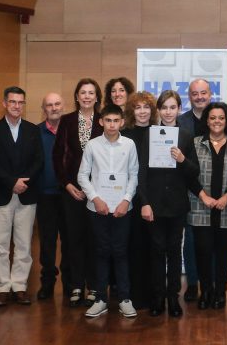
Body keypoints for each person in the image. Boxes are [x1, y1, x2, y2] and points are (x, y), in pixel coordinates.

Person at [135, 90, 199, 317]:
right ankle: (157, 297)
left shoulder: (186, 136)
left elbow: (194, 172)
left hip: (177, 205)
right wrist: (144, 202)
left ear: (179, 109)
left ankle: (173, 298)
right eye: (164, 108)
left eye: (173, 107)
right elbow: (140, 172)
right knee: (156, 251)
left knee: (174, 251)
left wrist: (182, 160)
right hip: (154, 204)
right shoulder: (148, 136)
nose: (168, 112)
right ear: (158, 111)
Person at [0, 86, 43, 307]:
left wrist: (23, 182)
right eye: (12, 102)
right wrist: (11, 183)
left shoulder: (32, 130)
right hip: (1, 194)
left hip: (27, 194)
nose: (17, 106)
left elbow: (38, 161)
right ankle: (2, 287)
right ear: (4, 103)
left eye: (20, 102)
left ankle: (19, 286)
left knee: (24, 244)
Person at [77, 104, 139, 319]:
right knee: (101, 252)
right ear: (101, 121)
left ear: (122, 122)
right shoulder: (92, 145)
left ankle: (124, 298)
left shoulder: (130, 145)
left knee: (121, 252)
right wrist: (95, 198)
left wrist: (126, 200)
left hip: (123, 209)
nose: (112, 124)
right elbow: (82, 176)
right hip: (98, 209)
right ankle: (101, 298)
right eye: (108, 120)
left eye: (116, 120)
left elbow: (134, 175)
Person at [53, 78, 103, 307]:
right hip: (72, 191)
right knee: (73, 239)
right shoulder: (66, 121)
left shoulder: (104, 121)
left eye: (91, 92)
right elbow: (58, 155)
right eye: (83, 92)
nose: (86, 96)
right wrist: (67, 184)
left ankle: (93, 285)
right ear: (76, 96)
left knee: (94, 239)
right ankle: (75, 285)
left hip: (98, 192)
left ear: (97, 97)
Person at [187, 102, 227, 310]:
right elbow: (188, 174)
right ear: (206, 121)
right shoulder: (195, 143)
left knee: (223, 252)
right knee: (203, 250)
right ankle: (205, 290)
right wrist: (203, 196)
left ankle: (220, 293)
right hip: (201, 206)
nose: (217, 121)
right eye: (213, 118)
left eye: (221, 118)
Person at [122, 91, 158, 310]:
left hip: (153, 200)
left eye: (146, 107)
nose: (142, 111)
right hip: (129, 199)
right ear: (131, 111)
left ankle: (153, 294)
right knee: (132, 248)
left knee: (152, 248)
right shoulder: (124, 134)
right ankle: (133, 294)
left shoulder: (159, 133)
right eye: (138, 107)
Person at [177, 79, 211, 302]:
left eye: (203, 93)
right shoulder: (180, 122)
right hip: (188, 189)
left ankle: (211, 284)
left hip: (214, 190)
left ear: (210, 95)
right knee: (189, 240)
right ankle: (192, 283)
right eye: (194, 94)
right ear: (189, 97)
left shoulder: (218, 117)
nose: (199, 97)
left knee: (211, 241)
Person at [35, 93, 68, 300]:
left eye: (57, 104)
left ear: (63, 106)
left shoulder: (71, 130)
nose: (54, 108)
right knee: (47, 241)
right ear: (44, 108)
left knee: (69, 241)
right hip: (45, 195)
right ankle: (47, 281)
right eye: (49, 105)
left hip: (69, 195)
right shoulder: (35, 132)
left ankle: (69, 282)